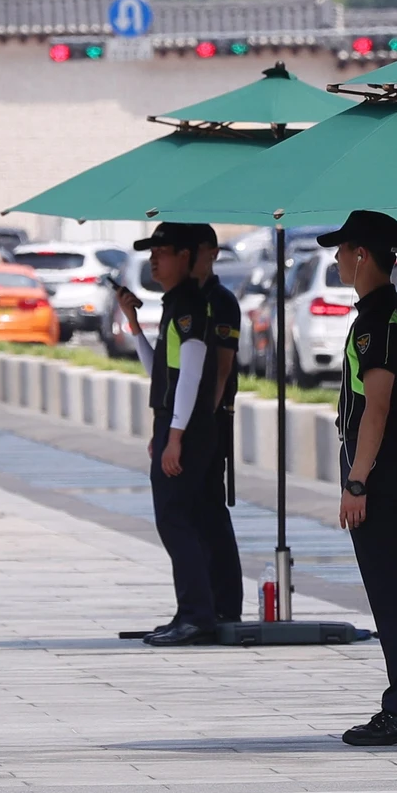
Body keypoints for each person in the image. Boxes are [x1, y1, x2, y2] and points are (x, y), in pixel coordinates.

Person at [322, 211, 397, 747]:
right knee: (391, 589)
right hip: (389, 465)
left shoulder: (380, 318)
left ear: (362, 254)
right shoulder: (380, 313)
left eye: (342, 250)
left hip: (383, 468)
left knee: (390, 592)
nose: (337, 258)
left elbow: (378, 406)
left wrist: (356, 481)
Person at [114, 223, 221, 646]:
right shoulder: (175, 304)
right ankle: (189, 611)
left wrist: (175, 435)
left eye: (163, 251)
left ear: (186, 256)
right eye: (151, 251)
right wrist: (134, 325)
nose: (154, 259)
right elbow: (162, 370)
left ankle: (198, 614)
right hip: (175, 425)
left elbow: (192, 373)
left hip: (189, 430)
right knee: (176, 521)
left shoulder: (190, 306)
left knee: (177, 521)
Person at [193, 225, 244, 623]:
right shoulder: (186, 299)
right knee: (194, 512)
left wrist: (202, 422)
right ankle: (203, 602)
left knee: (210, 511)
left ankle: (225, 605)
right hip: (190, 419)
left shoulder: (220, 301)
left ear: (210, 253)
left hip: (211, 420)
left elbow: (222, 368)